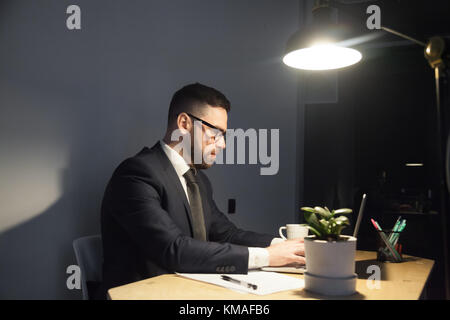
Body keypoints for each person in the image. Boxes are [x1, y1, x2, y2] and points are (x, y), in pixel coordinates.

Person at [97, 83, 305, 299]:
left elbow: (227, 234)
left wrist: (287, 246)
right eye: (216, 133)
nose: (222, 144)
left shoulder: (199, 180)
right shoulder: (136, 174)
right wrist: (268, 257)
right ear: (184, 124)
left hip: (190, 292)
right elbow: (174, 249)